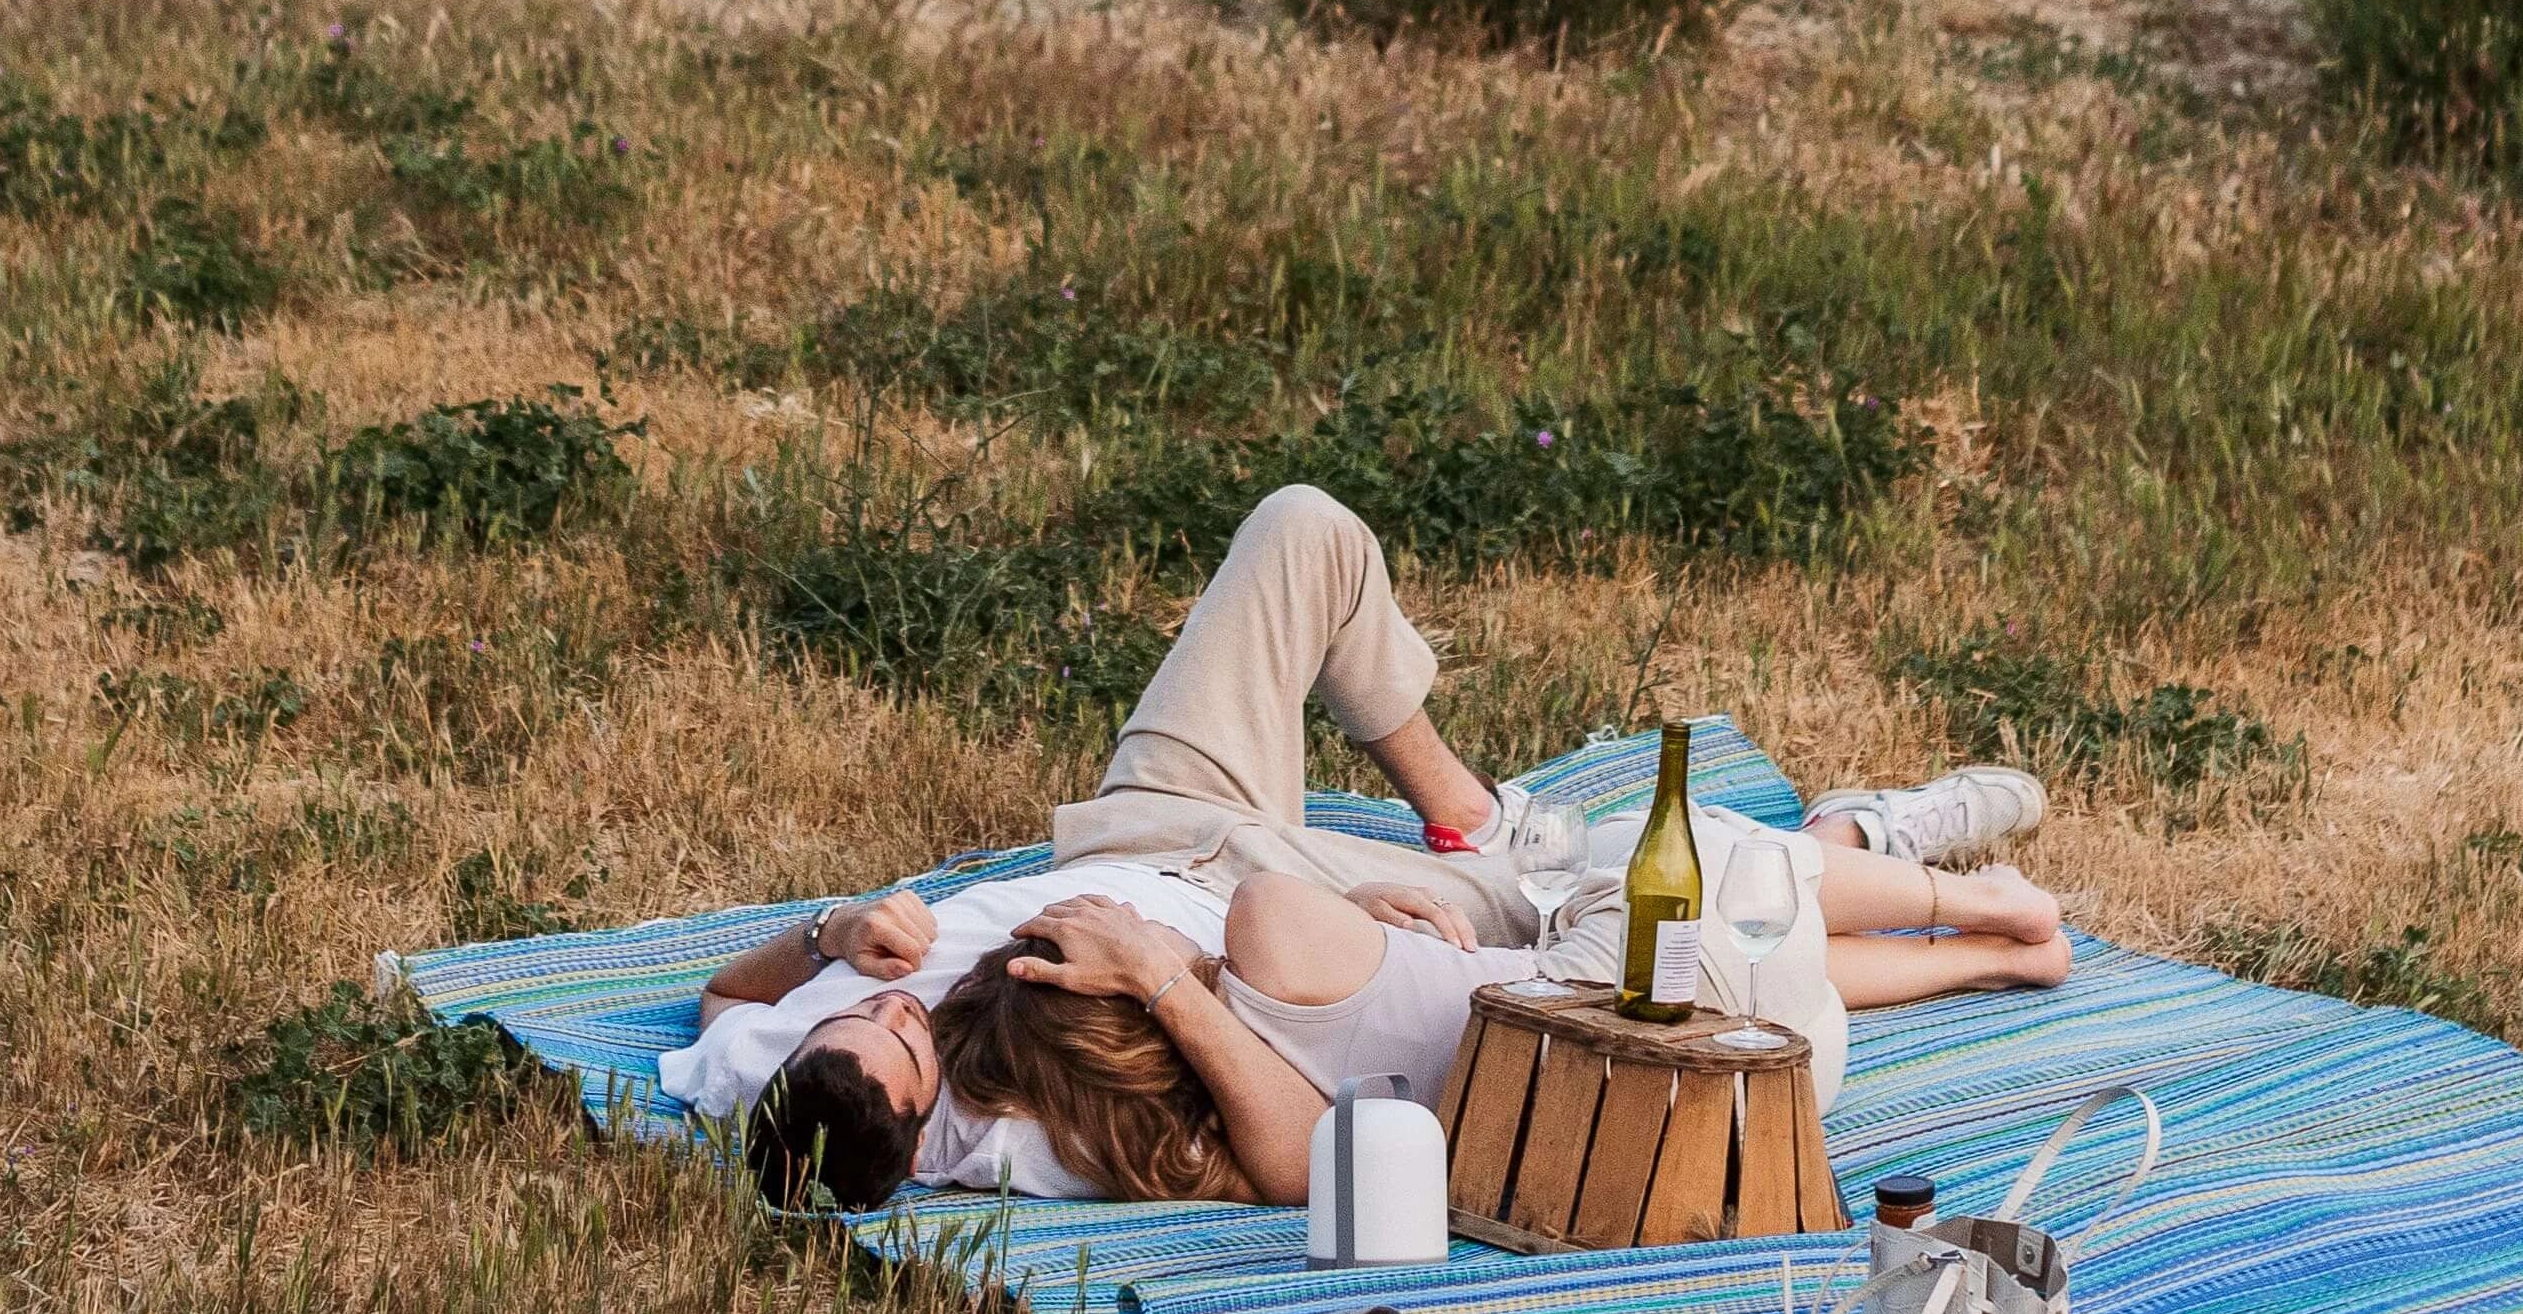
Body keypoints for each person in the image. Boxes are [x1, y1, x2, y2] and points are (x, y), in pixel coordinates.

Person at [664, 482, 2069, 1217]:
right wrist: (1186, 965)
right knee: (1676, 908)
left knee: (1304, 530)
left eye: (865, 1022)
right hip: (1307, 936)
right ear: (923, 1130)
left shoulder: (777, 1060)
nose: (899, 1012)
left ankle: (1472, 806)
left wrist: (834, 935)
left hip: (1164, 827)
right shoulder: (1002, 1131)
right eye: (908, 1043)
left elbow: (725, 1003)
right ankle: (1905, 866)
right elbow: (1279, 1155)